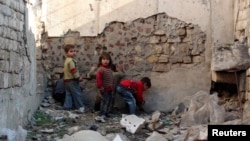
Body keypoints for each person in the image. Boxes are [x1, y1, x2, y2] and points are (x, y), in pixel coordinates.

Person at [63, 44, 86, 113]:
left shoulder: (66, 60)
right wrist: (78, 77)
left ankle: (67, 106)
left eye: (74, 51)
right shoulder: (71, 61)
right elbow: (73, 70)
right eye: (71, 51)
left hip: (66, 80)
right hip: (72, 80)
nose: (73, 52)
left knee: (68, 93)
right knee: (77, 93)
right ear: (66, 53)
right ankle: (80, 107)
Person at [95, 52, 114, 122]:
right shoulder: (101, 69)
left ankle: (106, 113)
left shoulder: (109, 69)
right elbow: (99, 79)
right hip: (104, 89)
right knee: (104, 102)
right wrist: (100, 87)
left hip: (110, 88)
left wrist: (112, 86)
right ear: (100, 60)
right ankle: (102, 113)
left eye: (107, 59)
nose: (106, 61)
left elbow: (111, 78)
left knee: (108, 101)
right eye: (104, 59)